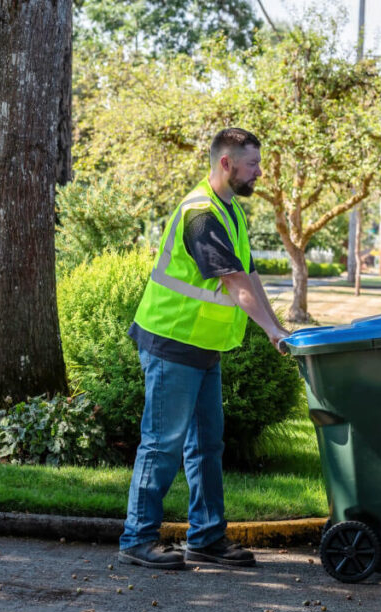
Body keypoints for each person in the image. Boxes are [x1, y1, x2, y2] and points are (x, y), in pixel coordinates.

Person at [119, 128, 290, 570]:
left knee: (207, 446)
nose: (258, 172)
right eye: (252, 164)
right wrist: (271, 332)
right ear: (226, 164)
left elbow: (250, 277)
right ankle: (137, 539)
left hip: (202, 346)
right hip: (171, 341)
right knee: (162, 445)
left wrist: (277, 327)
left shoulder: (230, 212)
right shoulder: (201, 215)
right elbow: (234, 285)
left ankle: (207, 537)